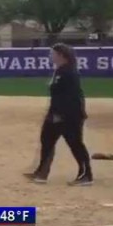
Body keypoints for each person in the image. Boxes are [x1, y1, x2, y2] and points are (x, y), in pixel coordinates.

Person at [24, 43, 93, 186]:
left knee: (75, 143)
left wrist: (60, 114)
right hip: (56, 113)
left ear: (61, 56)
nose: (50, 56)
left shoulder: (68, 72)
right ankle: (41, 172)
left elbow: (71, 97)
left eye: (53, 53)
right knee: (47, 139)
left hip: (69, 115)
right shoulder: (60, 70)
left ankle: (86, 174)